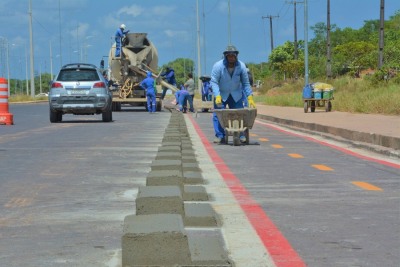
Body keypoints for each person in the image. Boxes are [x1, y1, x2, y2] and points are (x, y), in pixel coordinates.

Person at [210, 45, 256, 144]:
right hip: (221, 94)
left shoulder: (241, 66)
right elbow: (214, 82)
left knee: (239, 114)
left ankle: (241, 135)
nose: (231, 57)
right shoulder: (218, 66)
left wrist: (250, 97)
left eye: (233, 55)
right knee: (218, 114)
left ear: (236, 56)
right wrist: (217, 95)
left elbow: (245, 83)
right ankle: (220, 135)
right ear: (225, 56)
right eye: (229, 56)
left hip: (236, 94)